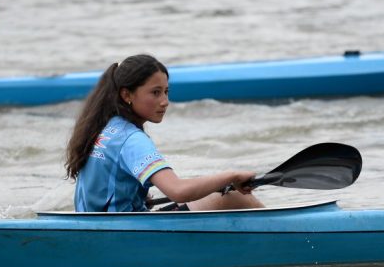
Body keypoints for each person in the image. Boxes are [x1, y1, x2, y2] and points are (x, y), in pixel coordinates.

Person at [65, 54, 264, 212]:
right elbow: (179, 191)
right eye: (155, 92)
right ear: (126, 95)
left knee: (216, 193)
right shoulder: (132, 139)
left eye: (166, 92)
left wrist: (138, 196)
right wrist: (232, 176)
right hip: (127, 233)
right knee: (235, 197)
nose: (165, 102)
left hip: (97, 225)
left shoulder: (104, 127)